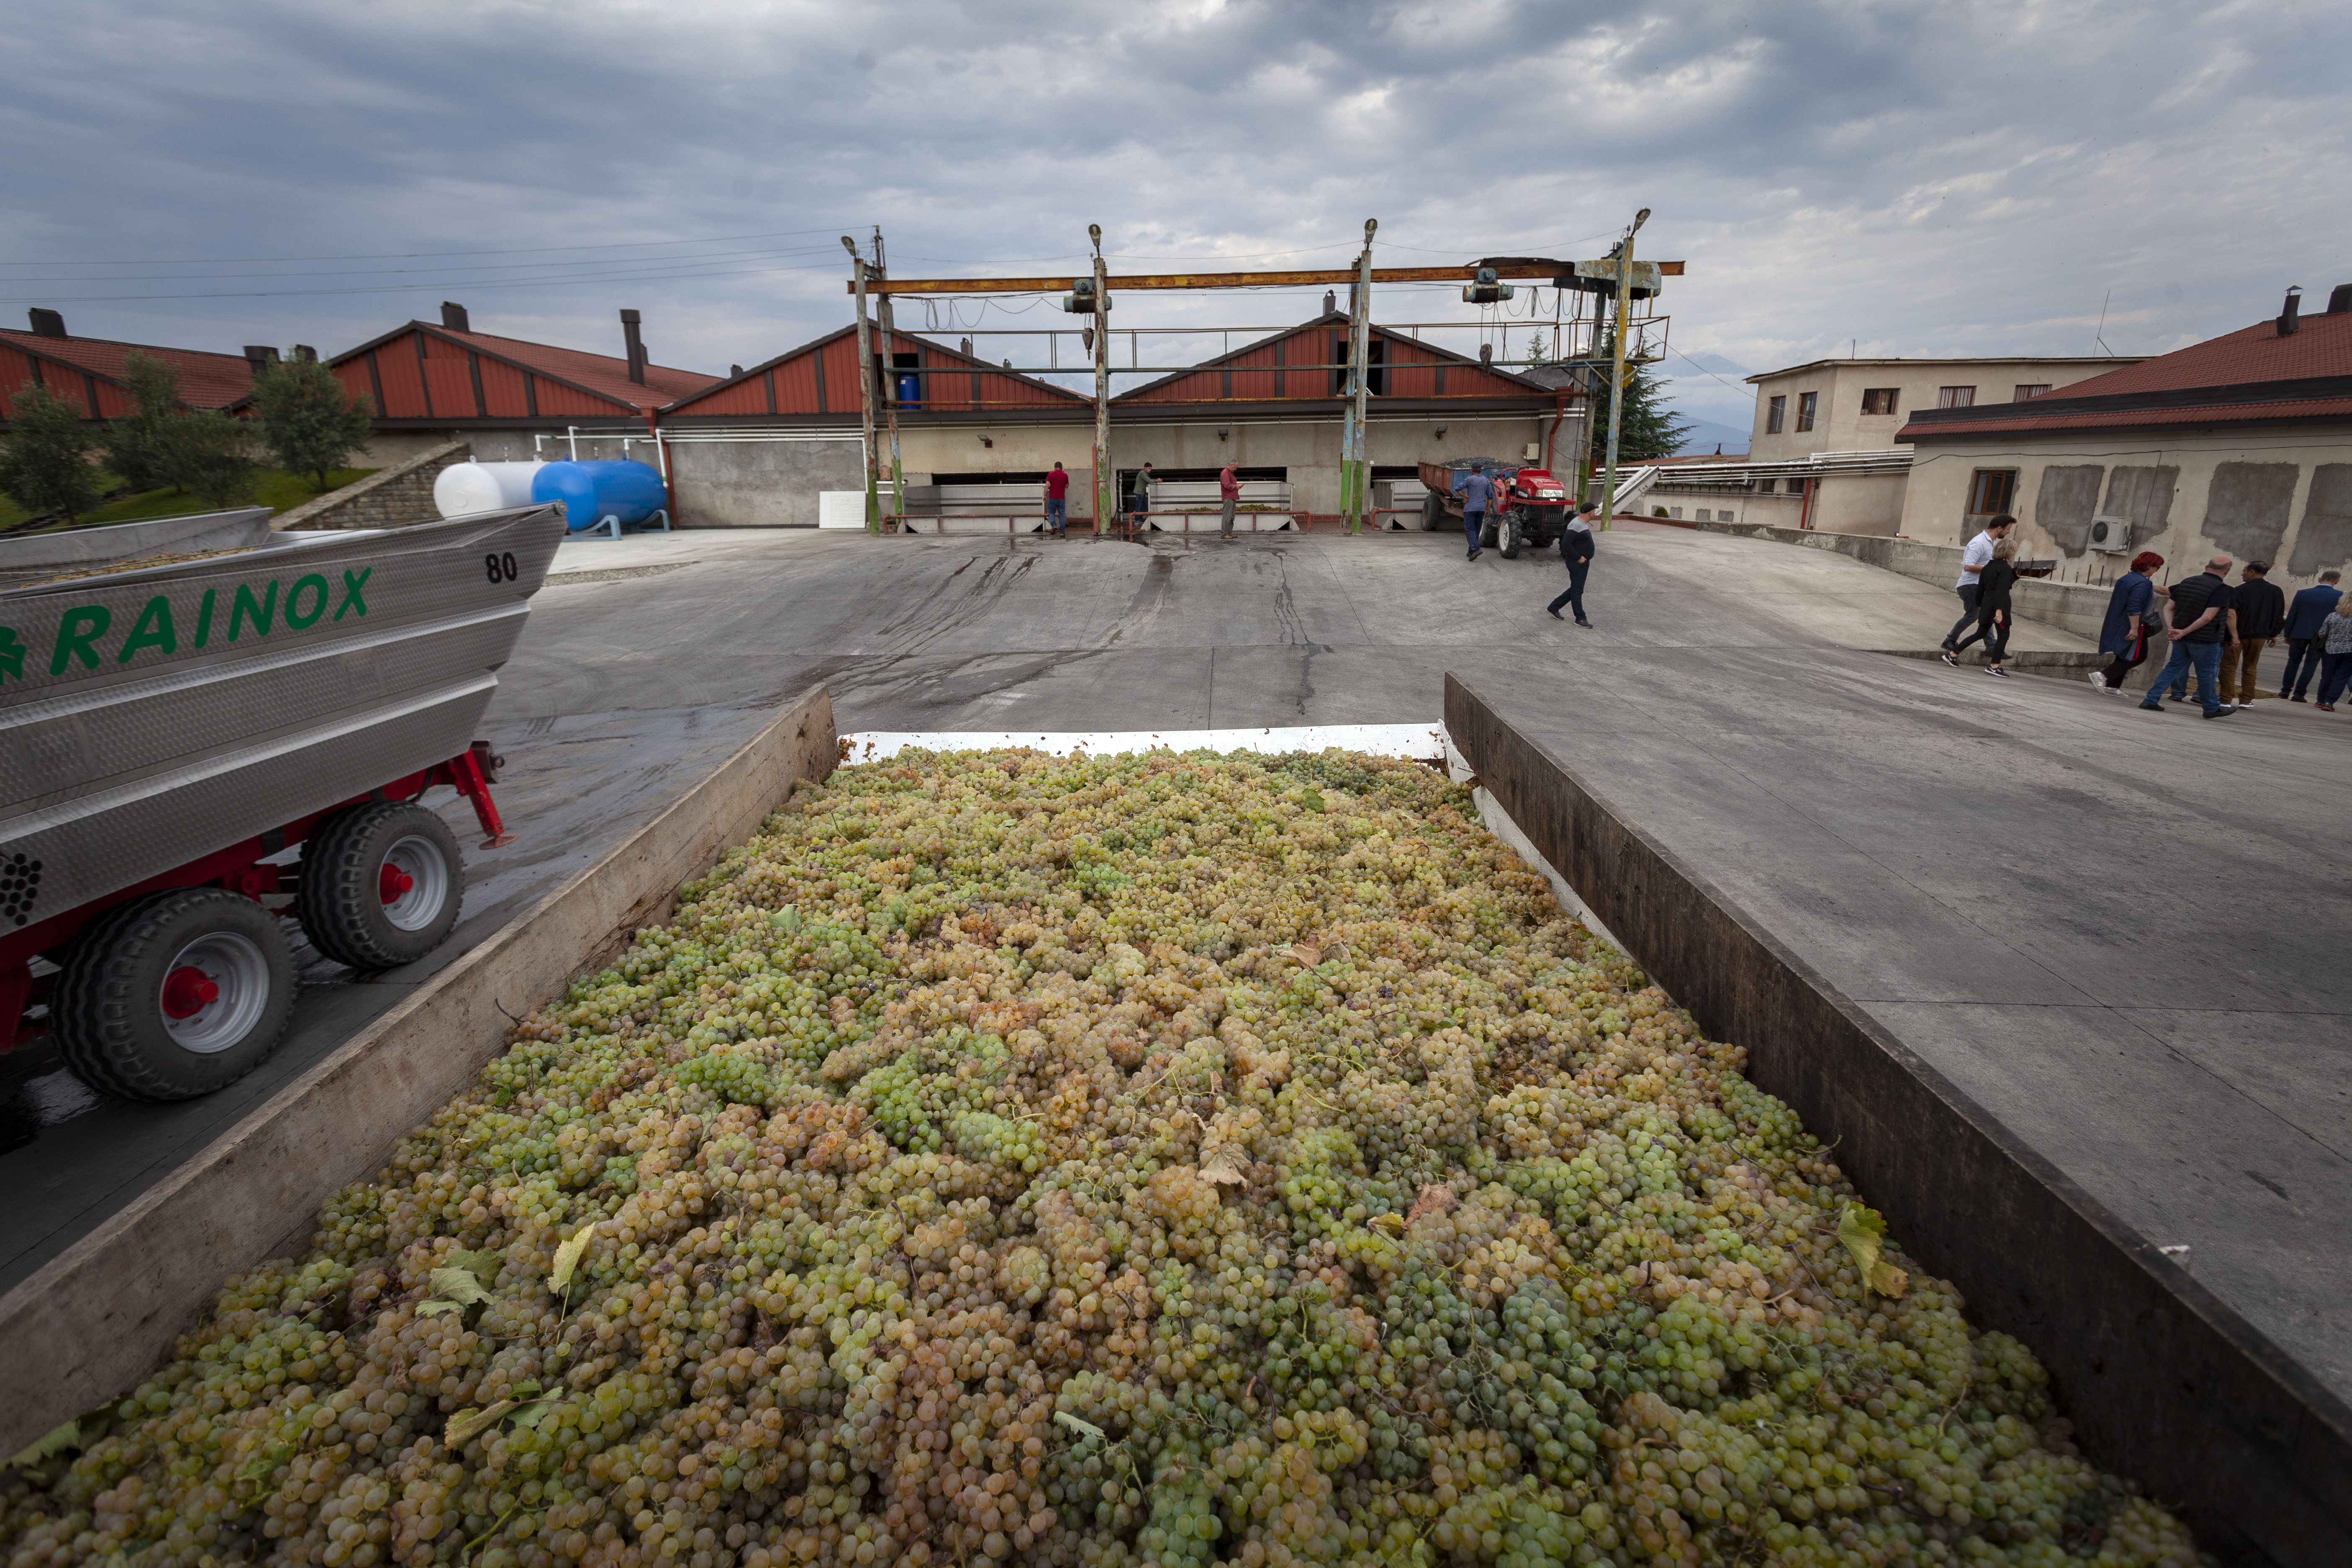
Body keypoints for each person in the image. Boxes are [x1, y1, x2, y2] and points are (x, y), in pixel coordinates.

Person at [2139, 554, 2237, 719]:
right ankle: (2211, 707)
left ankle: (2151, 699)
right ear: (2227, 572)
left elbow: (2168, 608)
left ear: (2207, 567)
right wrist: (2183, 632)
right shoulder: (2221, 589)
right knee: (2206, 674)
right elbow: (2208, 617)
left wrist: (2173, 629)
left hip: (2181, 637)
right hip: (2205, 639)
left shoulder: (2187, 582)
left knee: (2172, 668)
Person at [1943, 536, 2019, 676]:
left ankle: (1953, 654)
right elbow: (2002, 591)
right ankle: (1995, 666)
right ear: (2010, 552)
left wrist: (1980, 605)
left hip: (1986, 604)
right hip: (1999, 606)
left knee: (1980, 633)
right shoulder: (2005, 569)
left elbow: (1980, 589)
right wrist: (2000, 610)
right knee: (2004, 635)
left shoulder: (1987, 567)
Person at [2091, 551, 2164, 693]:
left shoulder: (2127, 579)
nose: (2157, 570)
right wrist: (2134, 628)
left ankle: (2112, 686)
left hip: (2120, 621)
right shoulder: (2142, 583)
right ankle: (2103, 676)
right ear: (2149, 565)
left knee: (2125, 654)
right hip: (2132, 624)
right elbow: (2134, 607)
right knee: (2138, 656)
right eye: (2157, 567)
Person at [2218, 560, 2284, 709]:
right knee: (2251, 667)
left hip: (2237, 634)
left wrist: (2232, 634)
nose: (2242, 574)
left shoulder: (2238, 591)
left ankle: (2226, 700)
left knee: (2229, 666)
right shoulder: (2276, 591)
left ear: (2252, 572)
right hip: (2259, 635)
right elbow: (2279, 614)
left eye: (2245, 571)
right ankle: (2246, 700)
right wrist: (2274, 633)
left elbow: (2231, 613)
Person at [1943, 516, 2015, 651]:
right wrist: (1992, 570)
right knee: (1973, 615)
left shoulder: (1993, 542)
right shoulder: (1979, 542)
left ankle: (1991, 646)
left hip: (1980, 586)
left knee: (1987, 615)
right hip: (1970, 585)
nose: (2009, 532)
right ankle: (1950, 640)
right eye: (2008, 529)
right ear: (1999, 528)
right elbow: (1968, 566)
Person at [2280, 568, 2344, 701]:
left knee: (2293, 661)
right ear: (2337, 582)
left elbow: (2292, 615)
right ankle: (2299, 694)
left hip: (2299, 632)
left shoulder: (2302, 593)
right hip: (2321, 636)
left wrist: (2288, 633)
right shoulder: (2340, 597)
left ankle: (2285, 691)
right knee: (2311, 664)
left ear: (2320, 579)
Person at [1548, 501, 1599, 624]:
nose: (1595, 513)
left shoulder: (1582, 523)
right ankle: (1580, 618)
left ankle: (1554, 607)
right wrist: (1578, 558)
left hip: (1582, 563)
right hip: (1577, 563)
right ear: (1591, 513)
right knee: (1577, 591)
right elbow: (1566, 544)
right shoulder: (1576, 525)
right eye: (1595, 511)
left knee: (1576, 589)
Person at [2317, 591, 2352, 712]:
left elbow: (2322, 634)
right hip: (2350, 651)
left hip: (2331, 650)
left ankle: (2321, 700)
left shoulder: (2332, 616)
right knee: (2341, 678)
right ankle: (2330, 702)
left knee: (2327, 676)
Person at [1459, 469, 1493, 561]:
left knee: (1470, 529)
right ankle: (1471, 551)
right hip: (1481, 509)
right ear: (1480, 471)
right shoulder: (1486, 480)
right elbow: (1490, 497)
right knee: (1476, 530)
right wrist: (1487, 510)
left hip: (1470, 509)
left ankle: (1476, 549)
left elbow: (1458, 488)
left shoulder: (1469, 479)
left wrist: (1464, 495)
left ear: (1472, 470)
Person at [1043, 462, 1070, 537]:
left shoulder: (1051, 474)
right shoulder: (1065, 475)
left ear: (1055, 467)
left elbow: (1047, 486)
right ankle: (1062, 532)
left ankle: (1054, 525)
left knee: (1052, 513)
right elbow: (1067, 486)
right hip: (1062, 499)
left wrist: (1044, 495)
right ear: (1062, 468)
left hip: (1053, 498)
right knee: (1062, 515)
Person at [1218, 461, 1240, 539]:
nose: (1236, 469)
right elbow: (1226, 485)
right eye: (1235, 467)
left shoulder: (1230, 473)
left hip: (1232, 497)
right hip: (1228, 497)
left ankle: (1229, 533)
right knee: (1227, 516)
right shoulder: (1225, 473)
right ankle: (1224, 534)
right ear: (1231, 465)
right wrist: (1236, 487)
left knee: (1231, 516)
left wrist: (1237, 486)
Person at [1129, 463, 1154, 533]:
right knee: (1138, 506)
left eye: (1151, 469)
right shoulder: (1143, 473)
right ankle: (1136, 520)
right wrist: (1157, 480)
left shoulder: (1146, 474)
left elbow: (1150, 480)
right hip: (1139, 492)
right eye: (1149, 468)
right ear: (1145, 468)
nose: (1150, 470)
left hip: (1142, 492)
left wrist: (1155, 481)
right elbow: (1149, 481)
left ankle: (1140, 519)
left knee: (1145, 505)